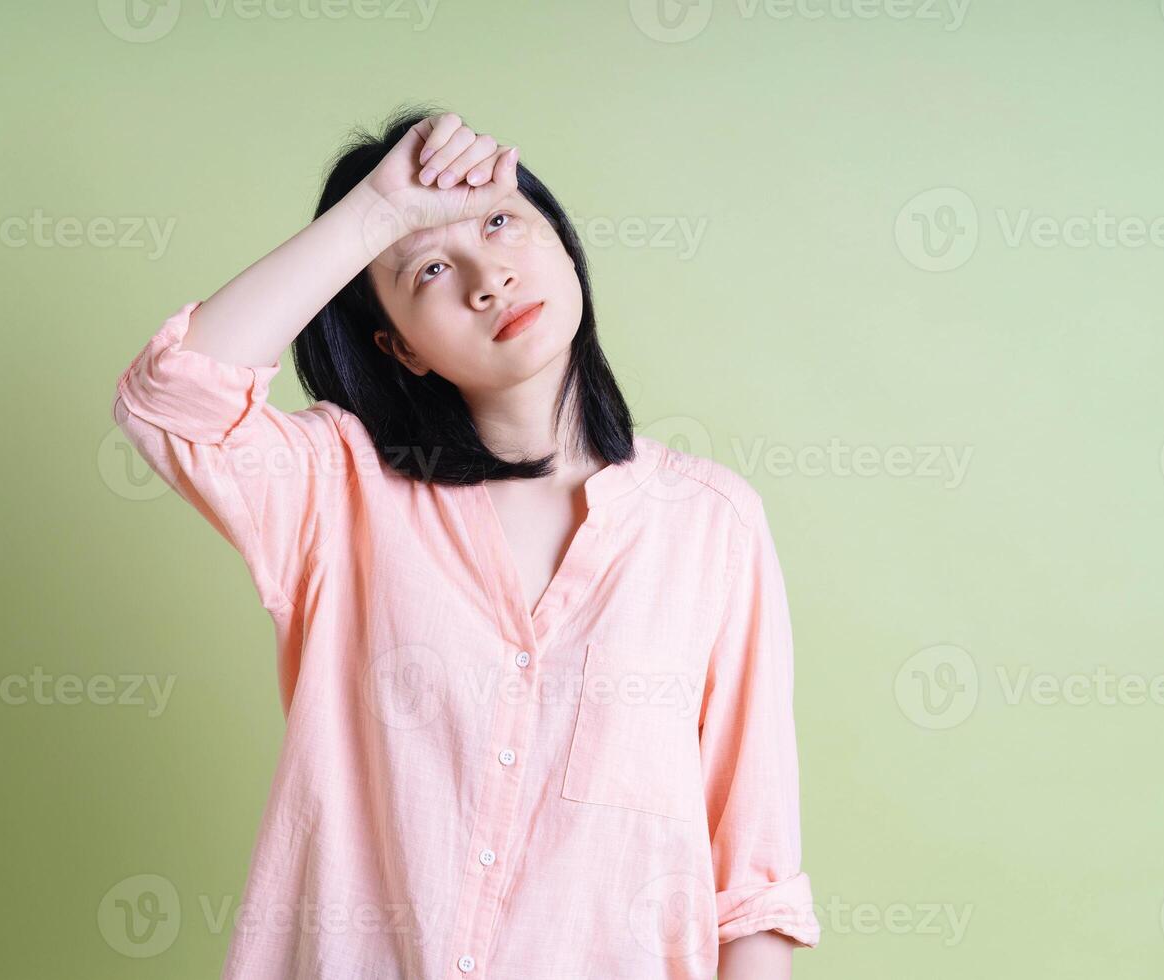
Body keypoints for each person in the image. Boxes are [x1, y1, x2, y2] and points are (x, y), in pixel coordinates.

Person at [111, 104, 820, 979]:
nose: (487, 280)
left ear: (563, 245)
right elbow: (171, 397)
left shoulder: (711, 525)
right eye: (431, 269)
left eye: (501, 223)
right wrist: (379, 212)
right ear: (399, 348)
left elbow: (751, 882)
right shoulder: (339, 491)